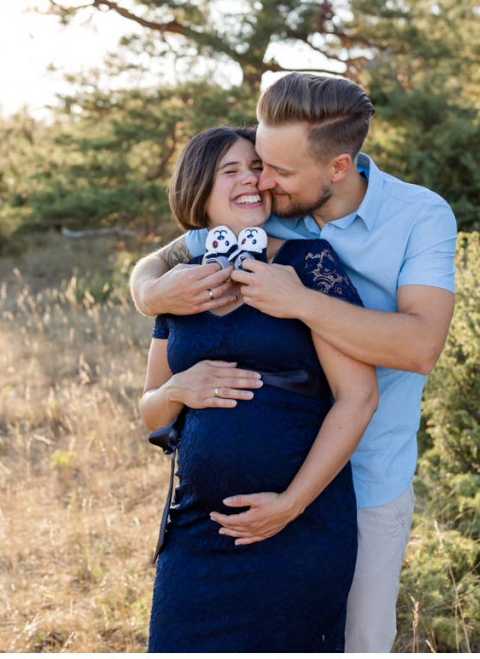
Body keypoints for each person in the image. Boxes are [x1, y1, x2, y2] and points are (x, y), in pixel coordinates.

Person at [131, 73, 457, 652]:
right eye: (255, 164)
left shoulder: (416, 217)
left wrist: (301, 301)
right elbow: (165, 257)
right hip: (207, 526)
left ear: (337, 168)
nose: (262, 181)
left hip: (366, 475)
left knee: (357, 640)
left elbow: (419, 348)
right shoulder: (264, 214)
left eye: (275, 170)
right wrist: (152, 296)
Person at [140, 126, 378, 652]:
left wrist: (290, 505)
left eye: (257, 168)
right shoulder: (178, 284)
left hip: (299, 532)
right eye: (233, 170)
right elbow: (151, 413)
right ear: (198, 188)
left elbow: (359, 397)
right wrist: (180, 386)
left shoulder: (310, 263)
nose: (252, 179)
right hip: (197, 533)